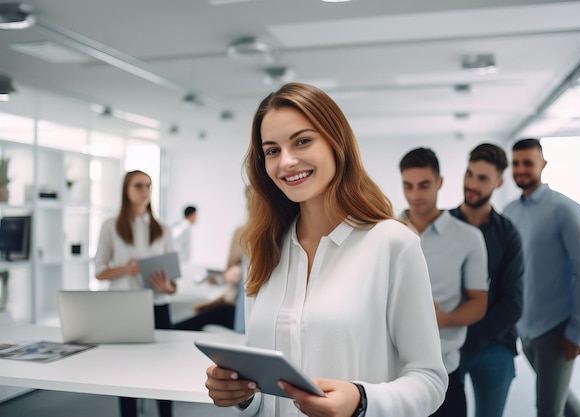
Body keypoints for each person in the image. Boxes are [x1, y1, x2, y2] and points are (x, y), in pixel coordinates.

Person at [204, 82, 447, 417]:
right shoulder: (264, 249)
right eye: (272, 150)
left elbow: (429, 379)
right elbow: (266, 388)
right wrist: (242, 394)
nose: (286, 161)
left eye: (302, 141)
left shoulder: (393, 244)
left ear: (336, 142)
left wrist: (361, 401)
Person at [398, 147, 488, 417]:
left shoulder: (468, 237)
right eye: (408, 186)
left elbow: (479, 303)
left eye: (424, 185)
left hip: (445, 370)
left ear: (439, 183)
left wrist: (441, 318)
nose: (415, 195)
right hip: (392, 373)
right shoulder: (384, 231)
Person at [503, 138, 580, 417]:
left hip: (557, 330)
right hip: (525, 329)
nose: (521, 169)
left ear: (543, 164)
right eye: (516, 163)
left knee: (548, 409)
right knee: (560, 401)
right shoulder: (510, 212)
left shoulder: (564, 209)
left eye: (528, 162)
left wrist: (578, 330)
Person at [449, 143, 524, 417]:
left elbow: (513, 302)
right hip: (446, 345)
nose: (472, 184)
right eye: (469, 174)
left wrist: (469, 337)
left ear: (498, 181)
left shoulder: (508, 234)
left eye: (482, 178)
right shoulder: (441, 226)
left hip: (493, 344)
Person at [94, 170, 177, 417]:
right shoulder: (111, 227)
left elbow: (173, 284)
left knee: (164, 371)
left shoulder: (162, 229)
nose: (145, 191)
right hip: (125, 309)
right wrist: (126, 269)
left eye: (148, 186)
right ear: (126, 191)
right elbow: (99, 271)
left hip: (157, 306)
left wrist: (166, 287)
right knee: (126, 372)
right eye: (138, 185)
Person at [174, 225, 243, 331]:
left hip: (234, 313)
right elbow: (228, 297)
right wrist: (207, 305)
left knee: (187, 325)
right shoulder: (237, 270)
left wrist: (222, 278)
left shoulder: (237, 271)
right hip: (230, 310)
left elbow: (230, 298)